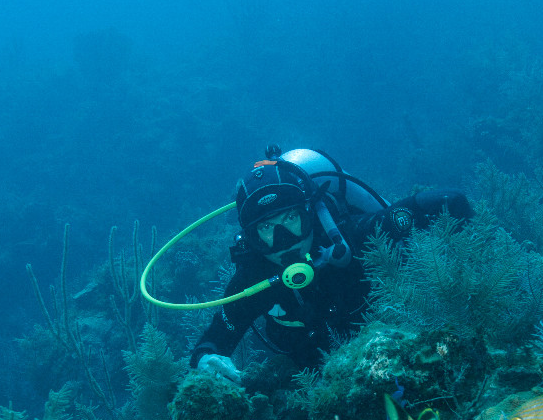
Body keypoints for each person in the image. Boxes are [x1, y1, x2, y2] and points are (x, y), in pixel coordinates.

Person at [192, 147, 472, 384]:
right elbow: (214, 340)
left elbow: (452, 203)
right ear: (252, 239)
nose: (284, 240)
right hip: (311, 382)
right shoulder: (254, 279)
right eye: (266, 228)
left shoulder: (353, 237)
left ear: (310, 215)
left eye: (291, 218)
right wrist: (206, 359)